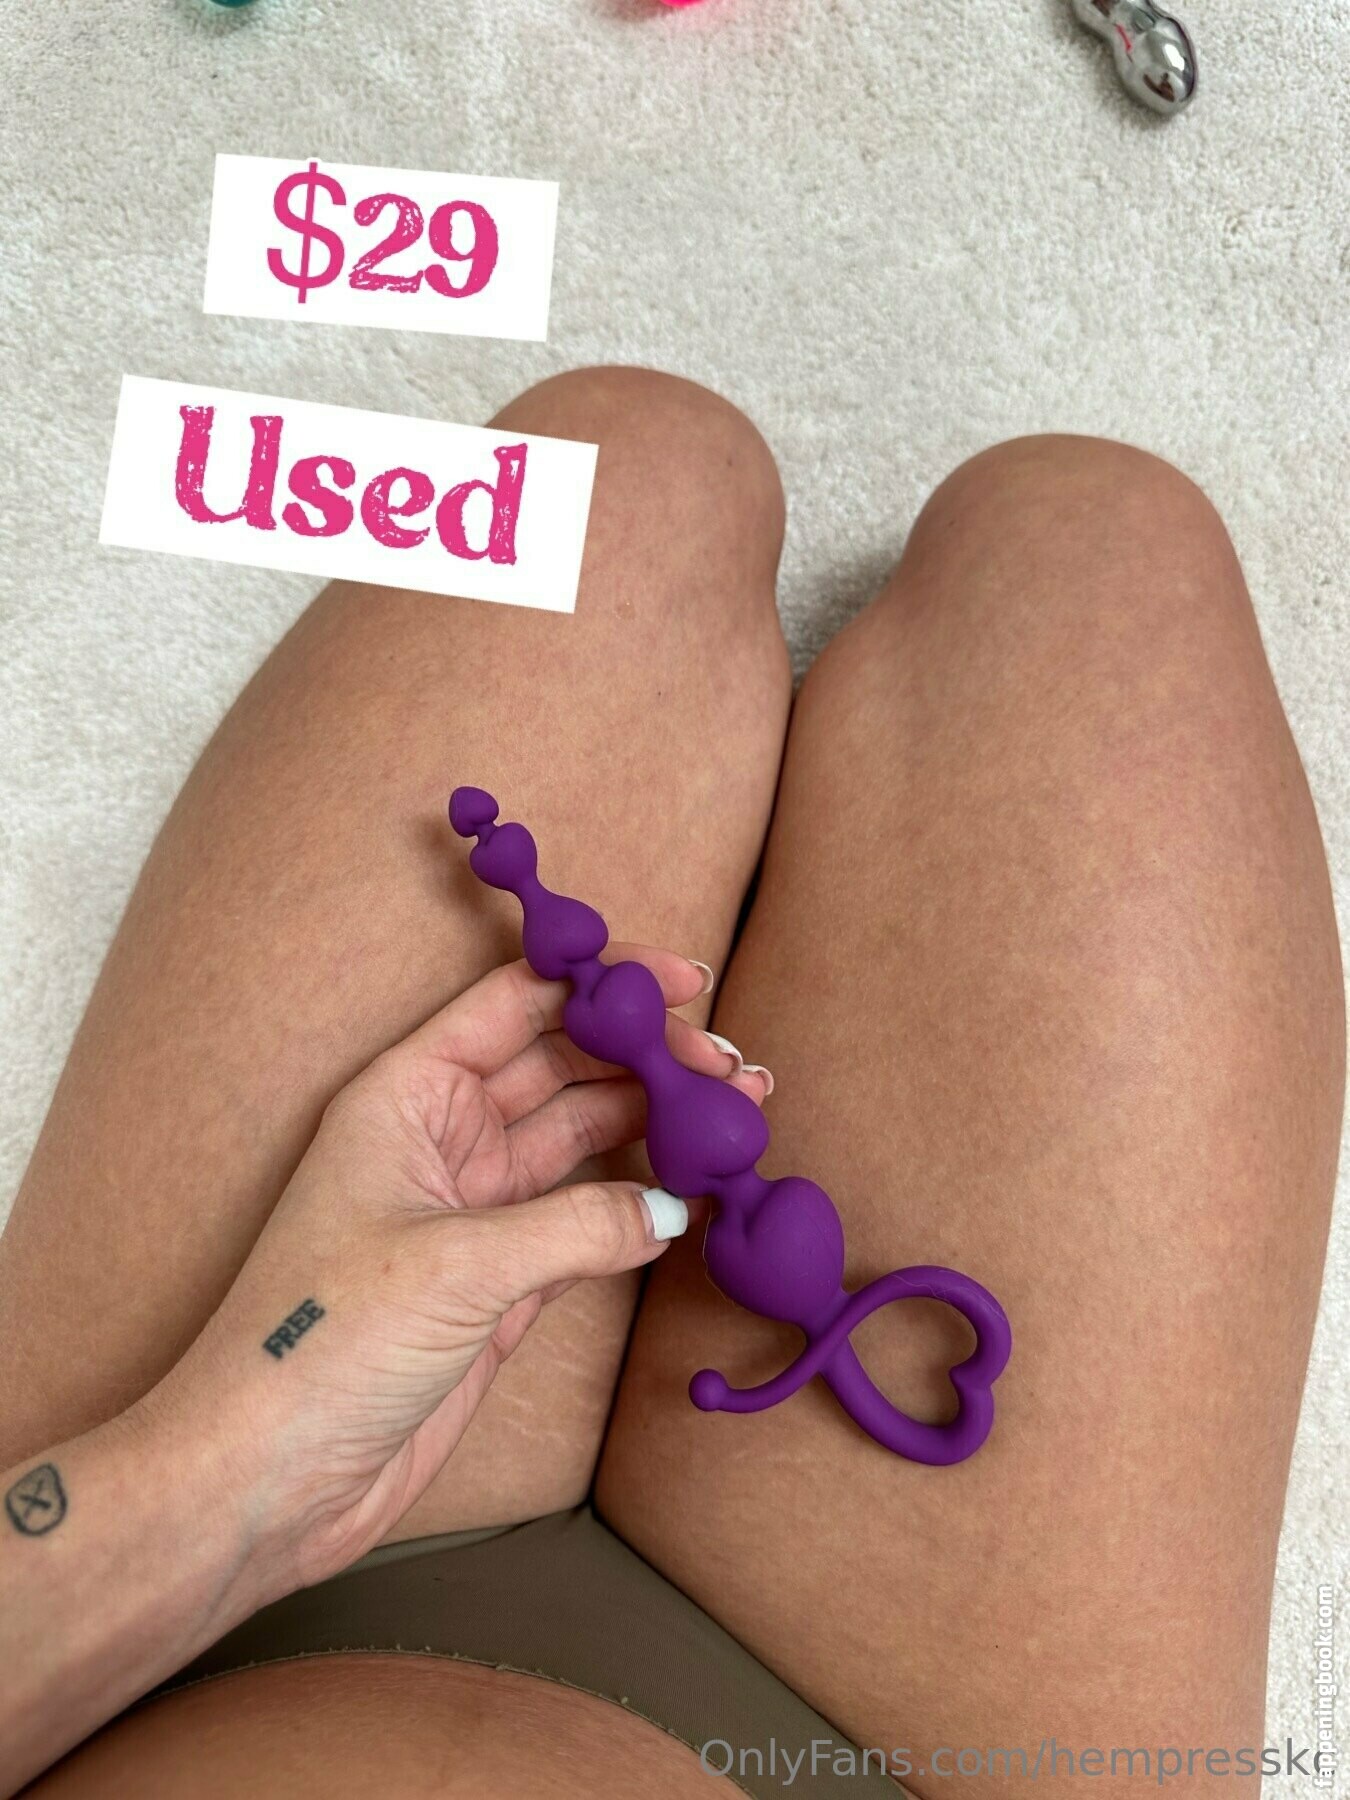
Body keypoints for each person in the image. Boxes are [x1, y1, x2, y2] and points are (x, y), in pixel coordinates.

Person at [0, 367, 1342, 1798]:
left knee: (627, 466)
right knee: (1101, 548)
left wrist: (218, 1478)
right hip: (934, 1760)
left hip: (130, 1628)